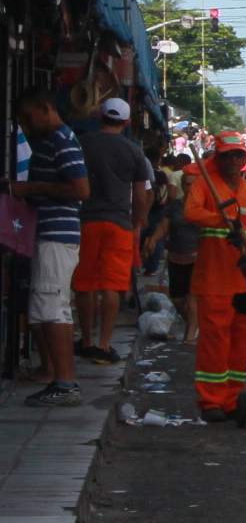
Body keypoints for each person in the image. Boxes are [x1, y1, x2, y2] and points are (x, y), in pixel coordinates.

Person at [8, 88, 89, 405]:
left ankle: (65, 383)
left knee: (53, 309)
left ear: (45, 108)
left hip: (56, 236)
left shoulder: (61, 141)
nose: (26, 124)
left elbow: (80, 189)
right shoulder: (53, 141)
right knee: (49, 308)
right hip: (50, 234)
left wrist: (30, 188)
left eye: (28, 117)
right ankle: (57, 375)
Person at [183, 133, 246, 419]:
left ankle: (232, 400)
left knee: (240, 345)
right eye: (227, 155)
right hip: (213, 280)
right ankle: (211, 401)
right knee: (214, 343)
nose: (233, 159)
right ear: (217, 158)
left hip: (245, 280)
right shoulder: (204, 185)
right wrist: (221, 220)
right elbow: (191, 212)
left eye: (238, 154)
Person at [71, 95, 153, 366]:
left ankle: (86, 341)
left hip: (84, 221)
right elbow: (140, 197)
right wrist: (137, 225)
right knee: (113, 285)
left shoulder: (81, 143)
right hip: (119, 224)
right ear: (127, 122)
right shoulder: (134, 151)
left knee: (84, 283)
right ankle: (104, 344)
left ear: (99, 116)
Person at [162, 164, 204, 342]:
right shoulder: (174, 206)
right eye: (186, 184)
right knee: (178, 299)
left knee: (192, 297)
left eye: (193, 184)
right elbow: (163, 227)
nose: (189, 188)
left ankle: (190, 335)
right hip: (175, 257)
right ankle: (195, 325)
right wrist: (151, 241)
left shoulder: (205, 206)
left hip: (197, 258)